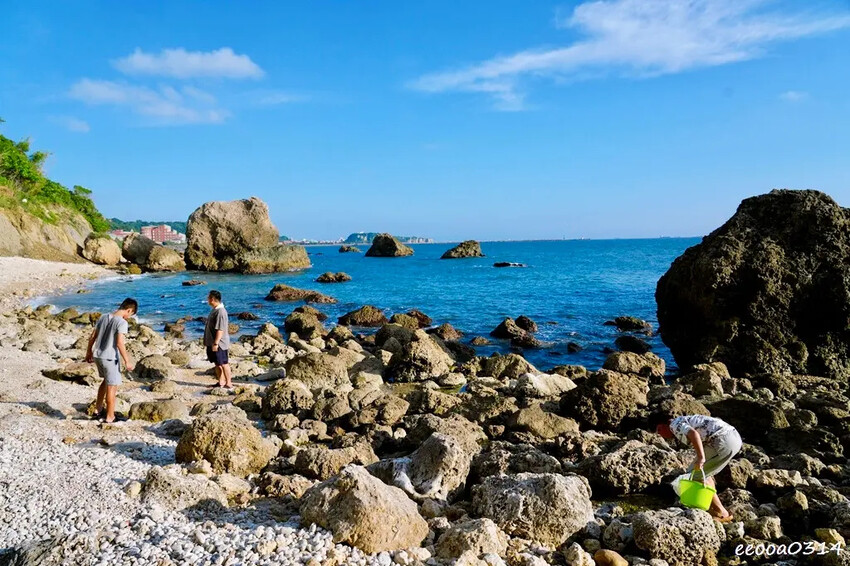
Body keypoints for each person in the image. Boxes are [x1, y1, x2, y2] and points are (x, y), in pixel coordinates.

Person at [650, 411, 742, 523]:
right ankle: (713, 508)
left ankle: (721, 512)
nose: (661, 435)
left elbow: (694, 434)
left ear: (662, 426)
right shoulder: (683, 420)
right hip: (733, 437)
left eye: (659, 431)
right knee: (704, 473)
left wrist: (701, 457)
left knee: (694, 474)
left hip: (723, 439)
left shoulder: (674, 425)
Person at [85, 298, 138, 423]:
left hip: (98, 355)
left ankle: (97, 410)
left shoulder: (103, 317)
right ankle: (110, 416)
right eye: (130, 314)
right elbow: (120, 343)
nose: (129, 317)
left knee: (105, 382)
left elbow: (92, 336)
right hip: (110, 357)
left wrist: (88, 352)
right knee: (112, 387)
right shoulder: (121, 323)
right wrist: (127, 361)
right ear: (129, 310)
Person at [204, 290, 232, 389]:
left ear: (212, 299)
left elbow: (220, 329)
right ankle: (221, 382)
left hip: (220, 343)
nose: (207, 299)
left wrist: (215, 343)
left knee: (224, 363)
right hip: (212, 342)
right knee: (217, 363)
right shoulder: (215, 309)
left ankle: (228, 383)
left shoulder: (221, 312)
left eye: (208, 297)